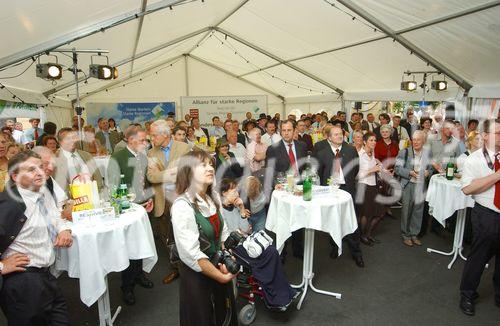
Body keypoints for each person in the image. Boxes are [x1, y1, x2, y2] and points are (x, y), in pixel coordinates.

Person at [0, 151, 72, 325]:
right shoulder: (7, 205)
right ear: (15, 177)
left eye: (40, 167)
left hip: (47, 277)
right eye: (32, 170)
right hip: (23, 283)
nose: (40, 172)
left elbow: (55, 215)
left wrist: (64, 229)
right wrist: (1, 266)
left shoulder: (42, 191)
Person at [171, 150, 238, 326]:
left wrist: (225, 256)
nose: (210, 168)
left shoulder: (213, 197)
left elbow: (223, 233)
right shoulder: (182, 206)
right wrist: (220, 275)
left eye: (211, 165)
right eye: (203, 165)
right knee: (203, 318)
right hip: (197, 277)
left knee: (225, 314)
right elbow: (191, 254)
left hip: (219, 267)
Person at [108, 125, 155, 305]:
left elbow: (146, 183)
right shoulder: (118, 157)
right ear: (130, 139)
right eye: (142, 140)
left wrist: (148, 199)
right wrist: (129, 203)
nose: (145, 143)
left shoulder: (143, 157)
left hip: (144, 207)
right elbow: (113, 186)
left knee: (141, 242)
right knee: (129, 247)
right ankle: (126, 285)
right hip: (128, 210)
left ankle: (138, 274)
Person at [458, 118, 500, 316]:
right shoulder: (474, 159)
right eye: (497, 133)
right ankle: (467, 294)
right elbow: (467, 189)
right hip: (486, 214)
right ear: (484, 136)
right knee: (479, 257)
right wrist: (497, 175)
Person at [147, 119, 190, 284]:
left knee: (184, 235)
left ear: (164, 134)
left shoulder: (184, 148)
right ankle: (176, 269)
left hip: (181, 199)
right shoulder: (151, 153)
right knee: (167, 239)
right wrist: (169, 174)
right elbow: (151, 176)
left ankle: (189, 270)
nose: (152, 139)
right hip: (162, 201)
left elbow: (187, 172)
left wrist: (162, 173)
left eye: (153, 135)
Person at [315, 125, 364, 267]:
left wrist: (346, 182)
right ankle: (335, 246)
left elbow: (356, 169)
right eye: (335, 135)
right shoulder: (322, 153)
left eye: (340, 134)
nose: (340, 136)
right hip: (330, 191)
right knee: (333, 219)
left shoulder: (351, 149)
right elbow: (320, 172)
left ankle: (356, 252)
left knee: (351, 219)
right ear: (329, 138)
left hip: (347, 188)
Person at [265, 120, 307, 261]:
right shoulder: (273, 149)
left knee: (299, 219)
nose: (286, 133)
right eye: (284, 130)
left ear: (294, 130)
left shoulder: (302, 146)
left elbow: (305, 168)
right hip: (283, 189)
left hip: (299, 189)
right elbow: (269, 170)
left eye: (289, 130)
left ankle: (298, 248)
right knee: (283, 220)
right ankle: (282, 251)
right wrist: (274, 184)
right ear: (280, 131)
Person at [394, 130, 433, 247]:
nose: (415, 142)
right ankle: (406, 235)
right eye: (413, 140)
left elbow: (431, 169)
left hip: (421, 185)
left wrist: (427, 173)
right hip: (408, 184)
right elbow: (397, 168)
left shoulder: (428, 153)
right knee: (406, 211)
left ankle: (414, 234)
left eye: (418, 140)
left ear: (424, 141)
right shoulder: (404, 152)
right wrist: (410, 172)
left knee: (418, 210)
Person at [356, 132, 384, 246]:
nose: (374, 142)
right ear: (364, 142)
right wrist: (372, 170)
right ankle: (363, 236)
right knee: (366, 214)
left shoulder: (372, 153)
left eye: (375, 140)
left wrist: (380, 167)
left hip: (373, 185)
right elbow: (356, 175)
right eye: (371, 140)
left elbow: (376, 168)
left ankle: (367, 234)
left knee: (379, 213)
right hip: (363, 186)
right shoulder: (359, 155)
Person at [53, 128, 103, 192]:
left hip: (93, 195)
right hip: (71, 199)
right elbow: (60, 188)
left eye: (74, 137)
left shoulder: (87, 156)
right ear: (60, 142)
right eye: (68, 139)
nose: (72, 140)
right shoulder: (55, 161)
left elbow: (98, 178)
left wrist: (96, 193)